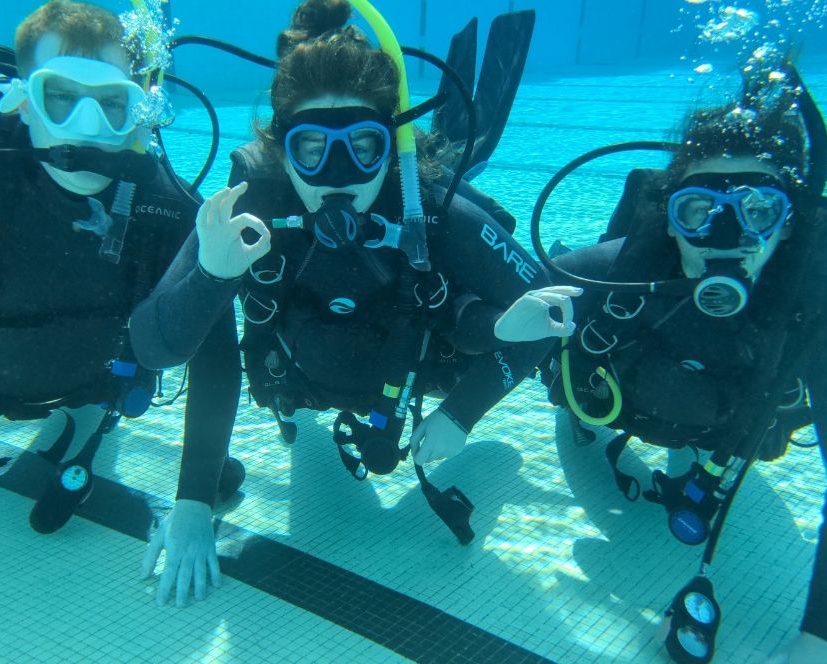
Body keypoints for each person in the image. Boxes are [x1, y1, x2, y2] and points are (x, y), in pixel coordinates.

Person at [129, 0, 577, 543]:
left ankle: (455, 140)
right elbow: (155, 348)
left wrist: (461, 414)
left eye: (363, 147)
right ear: (280, 150)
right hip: (296, 384)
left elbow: (550, 318)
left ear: (390, 149)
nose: (337, 177)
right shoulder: (252, 210)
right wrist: (209, 275)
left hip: (411, 379)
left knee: (461, 162)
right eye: (311, 148)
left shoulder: (427, 210)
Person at [504, 61, 827, 663]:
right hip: (628, 397)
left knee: (749, 435)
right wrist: (512, 330)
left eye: (758, 210)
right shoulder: (627, 264)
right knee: (575, 381)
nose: (725, 236)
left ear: (788, 225)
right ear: (670, 217)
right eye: (698, 212)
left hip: (735, 425)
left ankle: (704, 459)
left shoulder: (822, 306)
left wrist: (826, 637)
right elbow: (540, 286)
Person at [0, 0, 246, 608]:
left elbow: (215, 350)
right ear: (22, 99)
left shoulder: (162, 209)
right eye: (60, 97)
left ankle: (85, 414)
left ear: (139, 110)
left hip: (83, 382)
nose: (86, 125)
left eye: (111, 103)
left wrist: (192, 501)